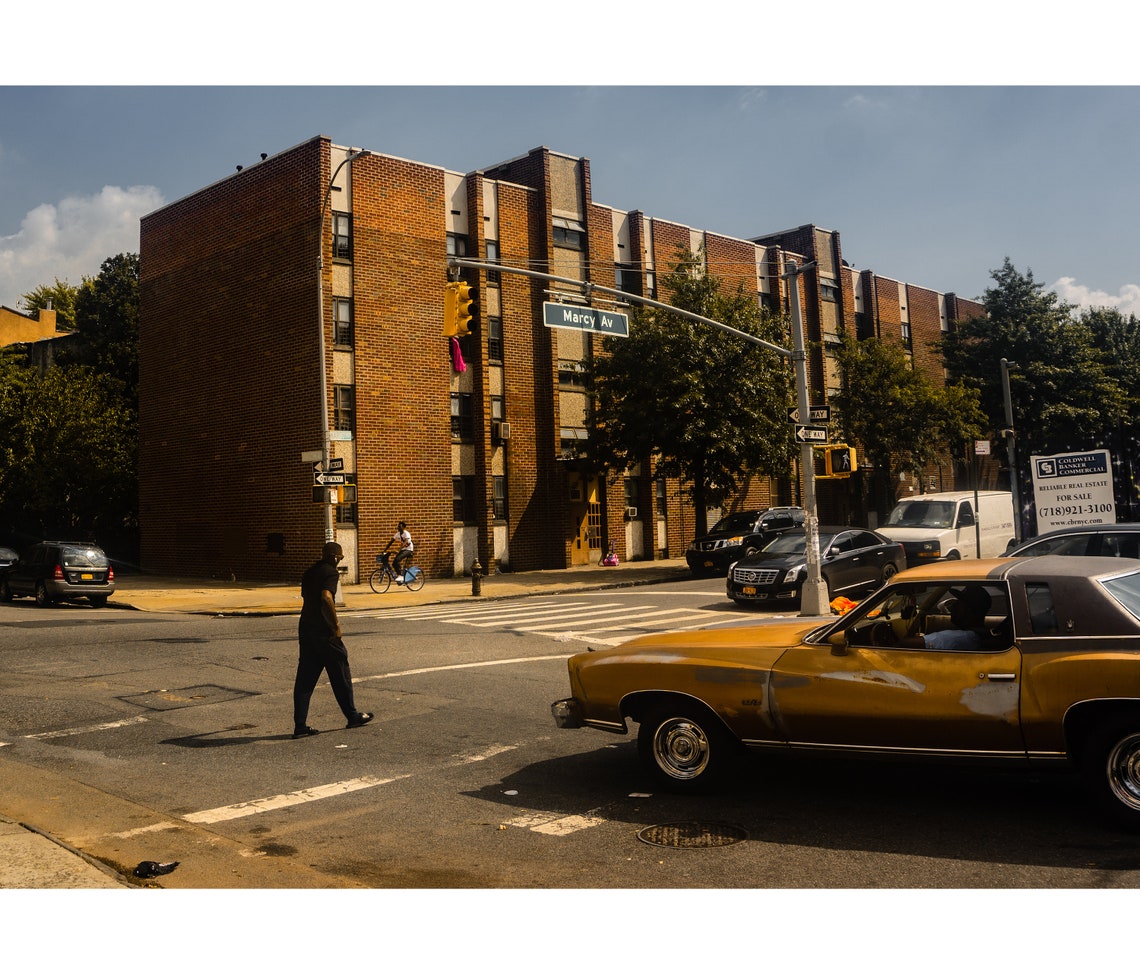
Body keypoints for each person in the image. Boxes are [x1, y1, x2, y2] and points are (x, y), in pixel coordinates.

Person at [292, 541, 373, 738]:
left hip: (306, 630)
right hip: (324, 633)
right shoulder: (330, 572)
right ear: (335, 557)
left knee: (305, 680)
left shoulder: (309, 572)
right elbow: (326, 597)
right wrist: (335, 626)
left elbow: (307, 598)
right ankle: (352, 716)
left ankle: (300, 726)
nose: (339, 561)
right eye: (340, 558)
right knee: (340, 674)